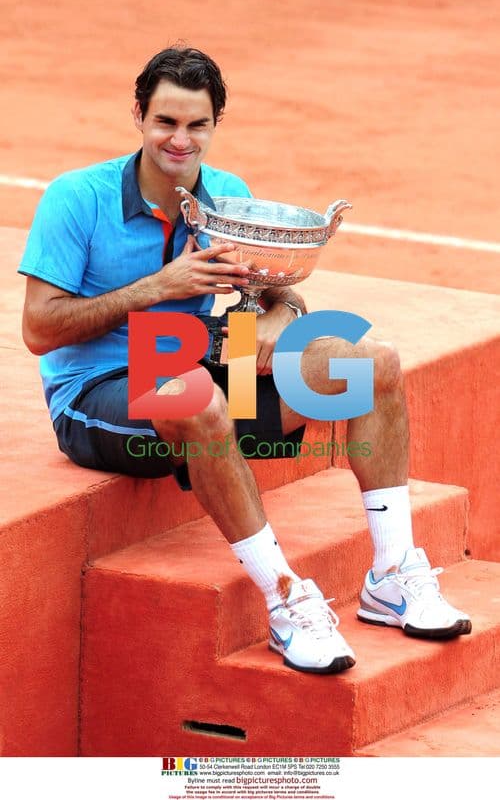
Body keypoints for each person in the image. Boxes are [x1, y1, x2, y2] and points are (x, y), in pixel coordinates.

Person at [18, 46, 471, 676]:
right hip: (100, 390)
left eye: (196, 125)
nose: (180, 139)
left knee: (371, 361)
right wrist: (159, 287)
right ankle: (286, 601)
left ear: (215, 125)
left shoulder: (229, 195)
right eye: (166, 122)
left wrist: (278, 318)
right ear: (139, 116)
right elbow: (39, 329)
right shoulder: (77, 198)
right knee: (197, 395)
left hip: (198, 366)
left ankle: (392, 578)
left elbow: (276, 292)